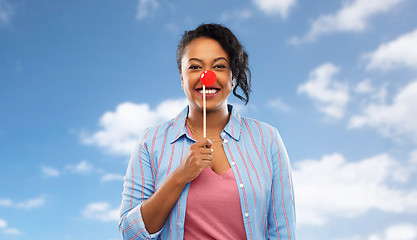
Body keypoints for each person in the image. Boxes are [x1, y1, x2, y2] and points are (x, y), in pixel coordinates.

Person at [119, 23, 296, 240]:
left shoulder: (267, 139)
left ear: (233, 76)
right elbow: (130, 234)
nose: (207, 76)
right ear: (181, 77)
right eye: (194, 67)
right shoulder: (151, 142)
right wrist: (180, 176)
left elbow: (282, 231)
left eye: (219, 66)